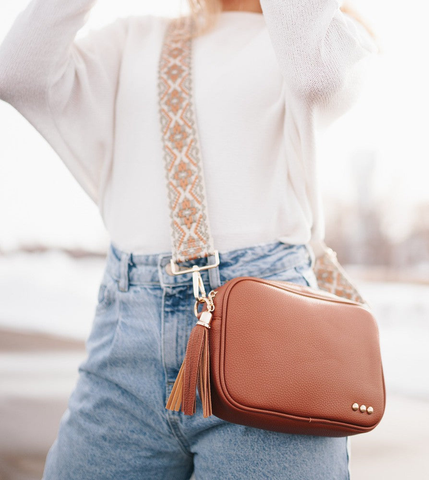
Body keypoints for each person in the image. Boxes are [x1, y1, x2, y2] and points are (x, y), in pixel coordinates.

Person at [0, 0, 379, 478]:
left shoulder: (328, 36)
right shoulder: (135, 38)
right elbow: (18, 71)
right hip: (126, 346)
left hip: (272, 342)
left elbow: (312, 75)